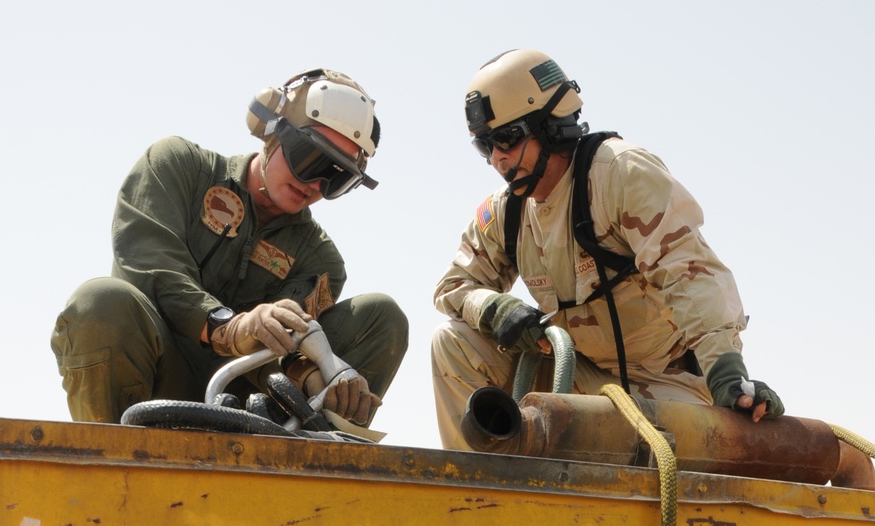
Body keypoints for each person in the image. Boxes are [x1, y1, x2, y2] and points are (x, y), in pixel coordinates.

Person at [433, 49, 784, 449]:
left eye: (507, 138)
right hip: (576, 376)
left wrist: (727, 375)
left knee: (692, 456)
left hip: (660, 385)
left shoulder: (621, 174)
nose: (497, 158)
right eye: (485, 146)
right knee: (452, 342)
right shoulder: (506, 211)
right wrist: (495, 308)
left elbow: (691, 277)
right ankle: (478, 496)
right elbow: (453, 287)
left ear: (548, 127)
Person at [52, 69, 408, 428]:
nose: (315, 184)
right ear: (271, 127)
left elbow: (285, 348)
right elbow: (151, 266)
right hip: (155, 375)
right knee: (100, 300)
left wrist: (316, 376)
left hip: (247, 409)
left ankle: (308, 465)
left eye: (337, 178)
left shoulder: (320, 260)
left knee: (381, 317)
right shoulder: (180, 167)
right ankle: (112, 460)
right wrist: (231, 327)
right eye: (310, 160)